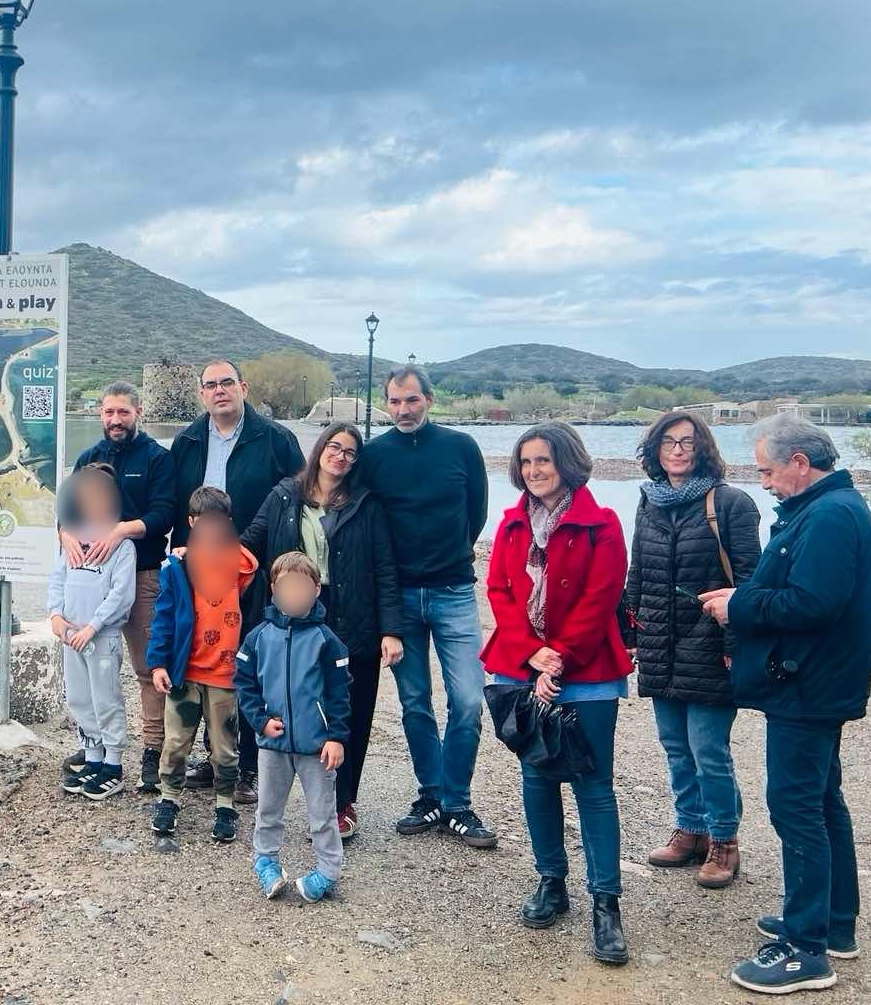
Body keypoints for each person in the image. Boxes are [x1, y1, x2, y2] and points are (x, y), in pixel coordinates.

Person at [701, 414, 871, 995]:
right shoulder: (827, 508)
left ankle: (806, 951)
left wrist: (738, 606)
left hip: (809, 687)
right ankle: (833, 924)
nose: (765, 482)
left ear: (800, 463)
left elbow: (813, 603)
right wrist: (745, 597)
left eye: (767, 471)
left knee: (796, 805)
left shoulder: (830, 515)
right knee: (822, 801)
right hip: (815, 682)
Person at [481, 422, 632, 967]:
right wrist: (532, 654)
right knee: (537, 775)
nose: (533, 471)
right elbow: (499, 590)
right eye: (526, 462)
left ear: (567, 462)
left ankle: (606, 902)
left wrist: (559, 656)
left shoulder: (602, 524)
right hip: (522, 664)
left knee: (594, 783)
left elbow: (601, 596)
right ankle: (552, 881)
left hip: (587, 668)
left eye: (543, 460)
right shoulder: (511, 524)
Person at [239, 423, 403, 840]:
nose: (340, 456)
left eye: (350, 452)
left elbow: (385, 567)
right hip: (294, 611)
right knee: (289, 699)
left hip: (352, 613)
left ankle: (343, 800)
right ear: (320, 448)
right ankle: (274, 793)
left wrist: (391, 629)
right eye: (335, 446)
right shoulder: (284, 495)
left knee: (352, 705)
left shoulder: (366, 504)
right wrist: (202, 550)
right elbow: (250, 542)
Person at [623, 410, 760, 889]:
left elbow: (749, 582)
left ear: (703, 448)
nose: (678, 450)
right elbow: (638, 571)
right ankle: (691, 829)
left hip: (709, 642)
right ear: (655, 450)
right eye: (668, 442)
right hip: (660, 640)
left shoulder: (731, 502)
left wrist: (734, 643)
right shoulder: (649, 501)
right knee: (676, 747)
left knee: (708, 750)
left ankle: (724, 840)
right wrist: (631, 632)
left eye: (687, 442)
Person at [361, 365, 495, 848]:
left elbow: (476, 513)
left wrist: (450, 553)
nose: (403, 410)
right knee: (415, 702)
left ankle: (457, 802)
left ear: (429, 400)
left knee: (468, 700)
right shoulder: (374, 455)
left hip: (453, 589)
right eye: (395, 402)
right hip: (398, 595)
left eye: (411, 400)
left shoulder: (461, 448)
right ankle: (432, 795)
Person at [168, 358, 304, 803]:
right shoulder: (188, 441)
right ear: (202, 393)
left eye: (227, 382)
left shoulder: (276, 439)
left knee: (249, 663)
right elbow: (176, 505)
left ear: (243, 388)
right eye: (211, 385)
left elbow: (298, 497)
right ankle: (216, 758)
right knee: (208, 658)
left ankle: (248, 766)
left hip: (254, 570)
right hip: (201, 570)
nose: (219, 390)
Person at [60, 381, 177, 795]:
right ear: (101, 414)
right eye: (109, 412)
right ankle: (95, 748)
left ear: (137, 412)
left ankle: (152, 750)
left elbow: (165, 513)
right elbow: (67, 510)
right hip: (90, 580)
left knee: (148, 668)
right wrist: (64, 533)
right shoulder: (88, 459)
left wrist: (122, 530)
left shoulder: (157, 458)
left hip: (141, 576)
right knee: (89, 670)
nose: (115, 420)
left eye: (123, 412)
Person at [236, 551, 352, 904]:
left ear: (316, 590)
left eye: (302, 587)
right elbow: (244, 683)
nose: (294, 595)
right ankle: (266, 862)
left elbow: (340, 693)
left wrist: (336, 737)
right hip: (272, 745)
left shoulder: (327, 641)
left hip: (316, 747)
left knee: (322, 814)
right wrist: (260, 721)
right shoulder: (258, 637)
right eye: (286, 587)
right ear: (273, 589)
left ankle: (328, 871)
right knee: (268, 810)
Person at [147, 487, 260, 842]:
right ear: (191, 522)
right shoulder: (177, 568)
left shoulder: (236, 563)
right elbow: (163, 618)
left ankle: (225, 804)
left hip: (225, 675)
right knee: (176, 741)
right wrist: (158, 664)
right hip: (185, 672)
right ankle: (169, 798)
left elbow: (251, 562)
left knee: (225, 746)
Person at [50, 465, 137, 801]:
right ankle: (92, 757)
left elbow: (121, 595)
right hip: (72, 636)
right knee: (80, 698)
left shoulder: (122, 547)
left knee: (105, 699)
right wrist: (56, 615)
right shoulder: (72, 539)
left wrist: (94, 626)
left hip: (101, 637)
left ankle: (113, 764)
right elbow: (58, 579)